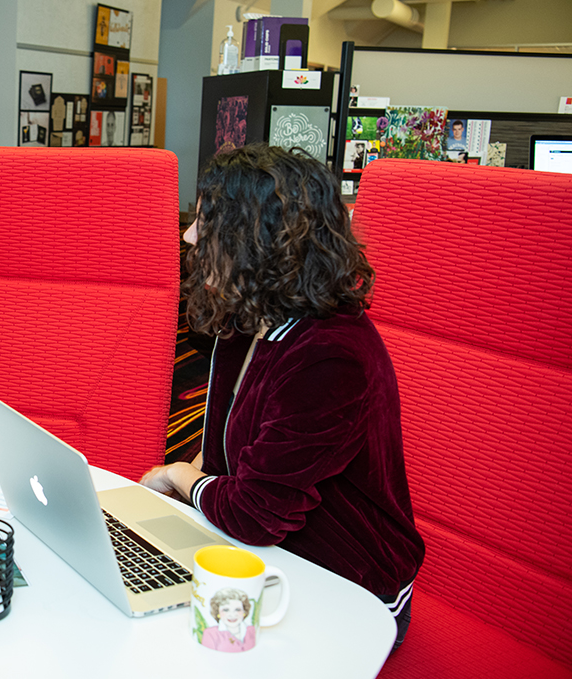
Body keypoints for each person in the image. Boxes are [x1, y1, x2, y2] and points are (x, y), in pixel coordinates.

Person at [141, 144, 425, 651]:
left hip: (352, 590)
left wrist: (176, 475)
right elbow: (229, 452)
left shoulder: (331, 357)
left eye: (207, 223)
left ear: (260, 240)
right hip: (266, 554)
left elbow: (256, 514)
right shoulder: (248, 318)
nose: (188, 235)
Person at [201, 588, 255, 652]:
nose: (232, 615)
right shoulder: (211, 633)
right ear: (218, 613)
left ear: (244, 612)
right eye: (226, 610)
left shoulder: (251, 630)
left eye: (237, 609)